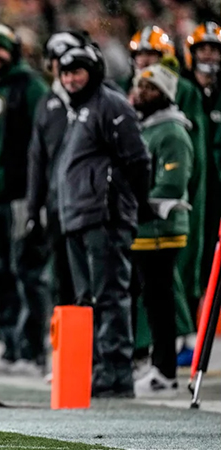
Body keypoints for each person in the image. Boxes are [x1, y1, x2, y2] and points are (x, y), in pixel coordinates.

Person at [56, 43, 151, 398]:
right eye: (65, 73)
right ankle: (97, 371)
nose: (70, 78)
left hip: (104, 215)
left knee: (110, 296)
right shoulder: (80, 109)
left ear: (93, 71)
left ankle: (116, 375)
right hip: (79, 216)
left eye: (77, 71)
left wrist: (138, 205)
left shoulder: (110, 104)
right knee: (87, 300)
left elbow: (138, 159)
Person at [0, 23, 49, 373]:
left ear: (12, 50)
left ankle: (33, 348)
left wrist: (37, 196)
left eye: (0, 47)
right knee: (1, 273)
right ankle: (12, 345)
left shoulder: (30, 87)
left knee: (26, 272)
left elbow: (43, 142)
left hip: (19, 196)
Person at [126, 25, 207, 365]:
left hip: (166, 206)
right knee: (148, 286)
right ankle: (148, 348)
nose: (144, 61)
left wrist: (144, 203)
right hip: (146, 206)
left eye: (151, 56)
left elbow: (189, 157)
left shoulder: (177, 107)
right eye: (140, 56)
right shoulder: (139, 104)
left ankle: (172, 346)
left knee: (167, 280)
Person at [130, 61, 192, 396]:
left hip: (161, 230)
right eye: (140, 86)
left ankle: (165, 370)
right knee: (152, 301)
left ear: (164, 93)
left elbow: (172, 184)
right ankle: (157, 365)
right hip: (147, 230)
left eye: (150, 88)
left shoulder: (171, 130)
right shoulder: (151, 126)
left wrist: (134, 204)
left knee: (160, 301)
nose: (141, 93)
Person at [26, 31, 90, 309]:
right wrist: (33, 209)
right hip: (57, 205)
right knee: (63, 280)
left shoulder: (102, 99)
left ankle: (103, 349)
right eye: (56, 61)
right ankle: (73, 350)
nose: (61, 68)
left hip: (92, 204)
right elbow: (37, 160)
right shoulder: (47, 104)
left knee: (95, 279)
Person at [183, 22, 221, 308]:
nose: (208, 55)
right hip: (190, 182)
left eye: (214, 49)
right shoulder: (183, 90)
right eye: (203, 49)